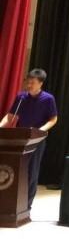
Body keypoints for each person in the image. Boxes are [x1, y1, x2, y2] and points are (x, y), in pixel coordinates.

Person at [0, 68, 58, 209]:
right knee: (15, 170)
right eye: (28, 81)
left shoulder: (48, 99)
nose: (29, 85)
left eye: (33, 82)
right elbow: (10, 116)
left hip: (36, 141)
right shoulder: (21, 97)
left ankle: (27, 205)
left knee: (31, 172)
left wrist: (40, 131)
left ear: (40, 84)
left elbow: (53, 119)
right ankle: (12, 201)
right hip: (19, 139)